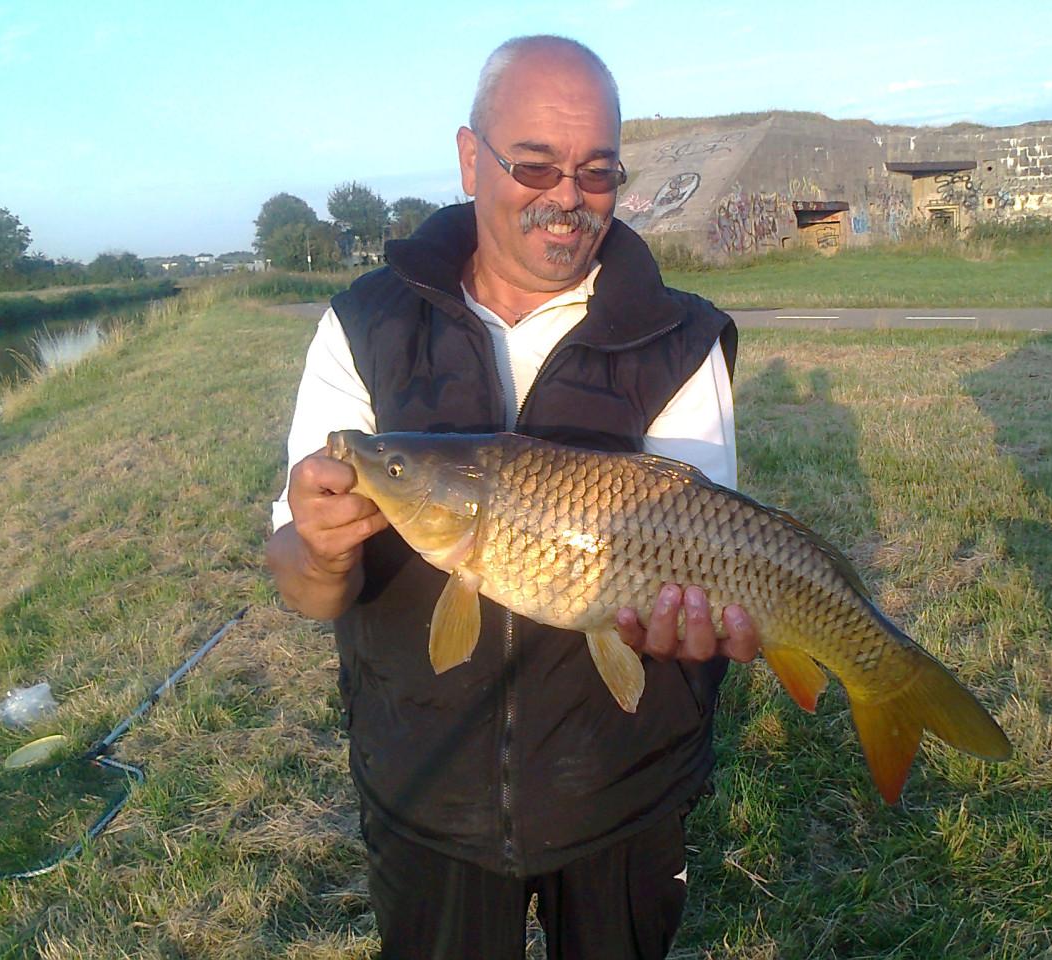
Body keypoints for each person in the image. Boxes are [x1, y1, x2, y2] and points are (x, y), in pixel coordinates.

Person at [266, 35, 760, 960]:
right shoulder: (364, 326)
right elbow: (301, 583)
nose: (567, 196)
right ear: (469, 158)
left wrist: (691, 620)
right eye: (534, 163)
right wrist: (319, 546)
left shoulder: (682, 339)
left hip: (623, 787)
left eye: (597, 170)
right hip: (427, 792)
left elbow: (702, 554)